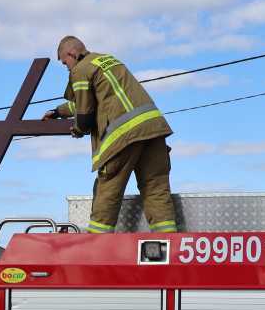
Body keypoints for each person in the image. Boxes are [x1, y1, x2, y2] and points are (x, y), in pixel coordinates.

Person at [43, 36, 178, 234]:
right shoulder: (108, 60)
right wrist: (58, 111)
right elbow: (92, 101)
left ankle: (97, 244)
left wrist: (78, 129)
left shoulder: (80, 70)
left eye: (65, 63)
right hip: (153, 130)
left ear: (72, 53)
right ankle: (168, 241)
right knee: (156, 189)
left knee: (107, 192)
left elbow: (85, 114)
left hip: (123, 136)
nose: (67, 68)